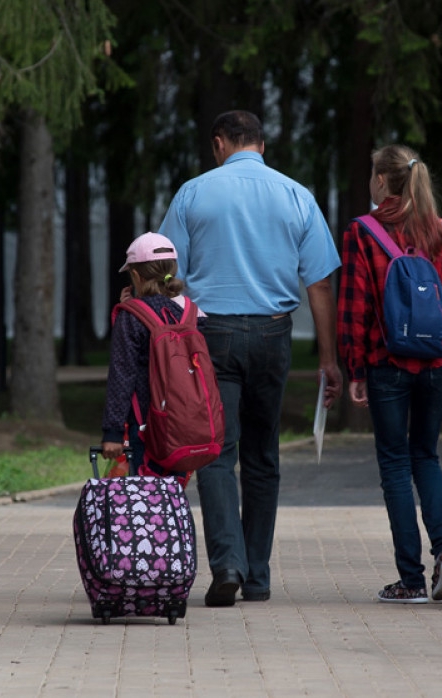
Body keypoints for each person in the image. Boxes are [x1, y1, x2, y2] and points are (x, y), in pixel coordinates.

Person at [158, 110, 342, 607]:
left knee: (216, 453)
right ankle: (257, 575)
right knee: (264, 455)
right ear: (262, 144)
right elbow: (319, 282)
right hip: (272, 335)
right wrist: (328, 357)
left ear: (220, 143)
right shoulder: (296, 195)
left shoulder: (193, 193)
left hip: (210, 336)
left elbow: (169, 273)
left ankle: (228, 565)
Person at [337, 145, 442, 604]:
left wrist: (355, 366)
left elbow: (355, 306)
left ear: (382, 180)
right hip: (437, 365)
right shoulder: (437, 229)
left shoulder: (363, 231)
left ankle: (411, 580)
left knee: (395, 465)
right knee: (426, 456)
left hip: (388, 364)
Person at [100, 232, 200, 486]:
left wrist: (112, 432)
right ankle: (176, 527)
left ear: (136, 275)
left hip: (146, 425)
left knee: (146, 498)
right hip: (187, 423)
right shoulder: (192, 313)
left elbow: (122, 374)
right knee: (173, 495)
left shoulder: (131, 317)